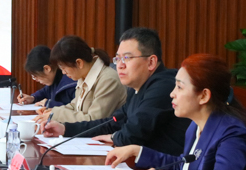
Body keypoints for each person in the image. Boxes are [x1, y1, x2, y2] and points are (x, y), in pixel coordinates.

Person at [105, 54, 246, 170]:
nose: (172, 94)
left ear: (204, 96)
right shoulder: (195, 126)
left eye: (179, 87)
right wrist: (137, 151)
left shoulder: (232, 132)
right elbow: (184, 165)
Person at [44, 26, 188, 156]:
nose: (120, 65)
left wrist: (114, 137)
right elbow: (113, 122)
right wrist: (66, 129)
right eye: (118, 59)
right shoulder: (136, 89)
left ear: (151, 62)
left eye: (127, 58)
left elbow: (133, 133)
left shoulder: (164, 85)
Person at [40, 35, 124, 128]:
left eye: (63, 68)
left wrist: (57, 115)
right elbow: (75, 106)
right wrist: (53, 111)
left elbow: (94, 120)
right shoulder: (83, 76)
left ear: (79, 63)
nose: (63, 72)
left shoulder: (108, 80)